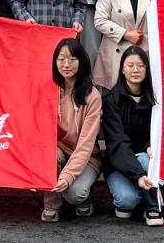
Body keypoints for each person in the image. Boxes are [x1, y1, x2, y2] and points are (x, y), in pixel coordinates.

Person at [102, 46, 164, 226]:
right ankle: (141, 193)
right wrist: (138, 175)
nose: (135, 70)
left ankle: (152, 206)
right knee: (127, 200)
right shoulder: (112, 101)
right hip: (118, 163)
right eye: (130, 65)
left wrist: (149, 145)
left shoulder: (155, 98)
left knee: (146, 160)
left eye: (140, 65)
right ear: (122, 69)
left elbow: (158, 130)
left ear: (147, 69)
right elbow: (117, 142)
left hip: (146, 159)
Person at [43, 37, 102, 222]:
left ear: (81, 62)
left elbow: (86, 145)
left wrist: (67, 177)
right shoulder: (49, 90)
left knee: (74, 194)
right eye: (61, 59)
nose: (66, 64)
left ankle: (85, 195)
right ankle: (52, 204)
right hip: (59, 150)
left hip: (86, 155)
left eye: (72, 59)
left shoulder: (92, 96)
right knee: (48, 155)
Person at [93, 0, 160, 89]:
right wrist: (125, 34)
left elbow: (160, 21)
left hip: (144, 50)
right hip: (116, 49)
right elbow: (99, 20)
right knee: (116, 95)